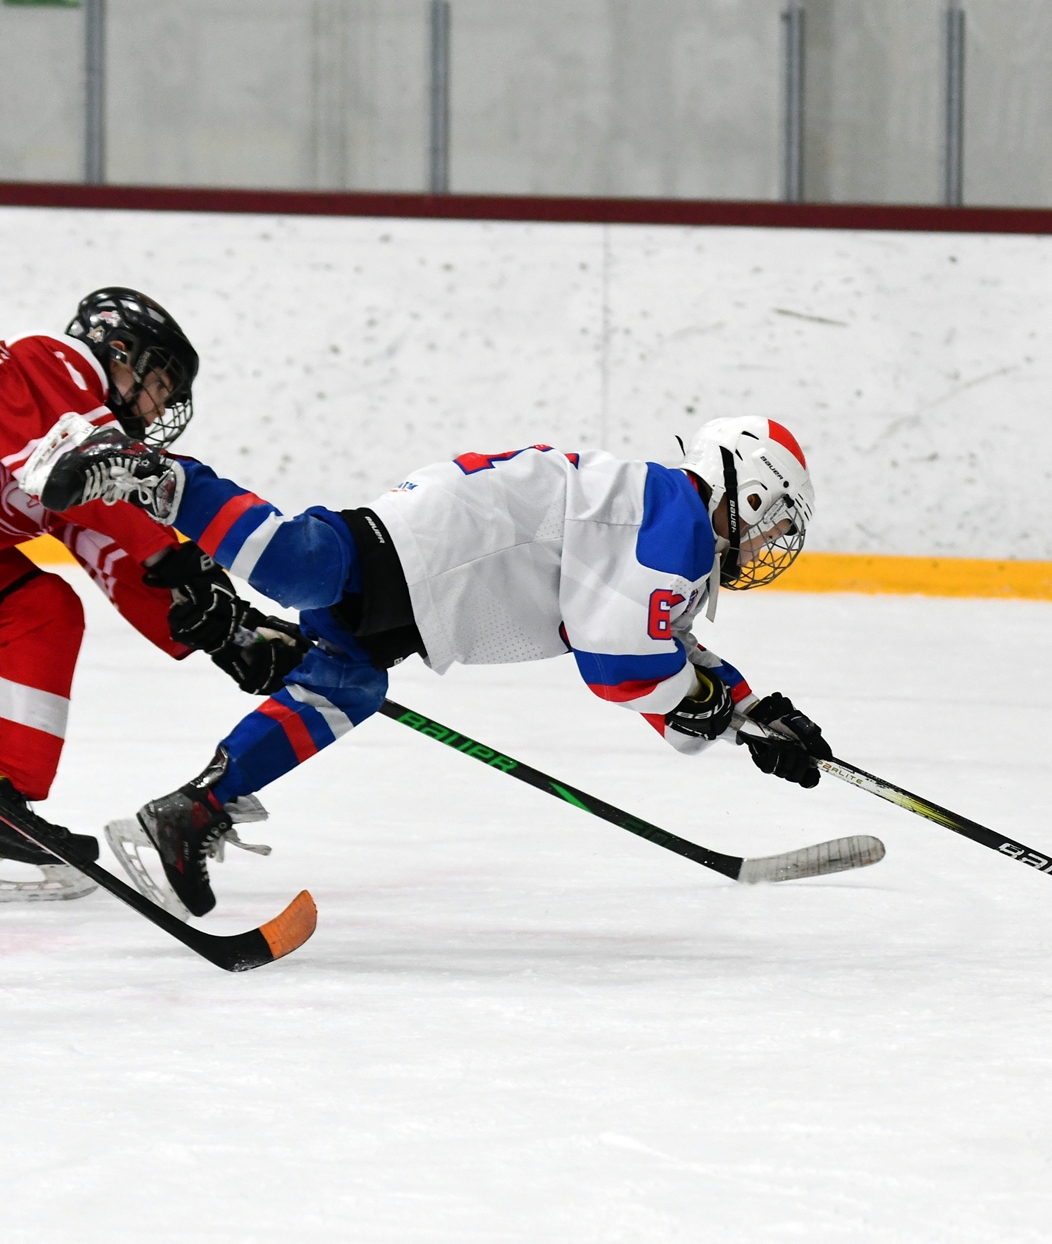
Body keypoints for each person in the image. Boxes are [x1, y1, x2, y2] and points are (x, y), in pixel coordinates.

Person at [23, 414, 834, 917]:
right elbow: (618, 658)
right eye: (774, 523)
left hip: (442, 582)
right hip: (445, 546)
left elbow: (659, 655)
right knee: (303, 563)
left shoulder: (671, 536)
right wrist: (699, 702)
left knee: (349, 682)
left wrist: (748, 713)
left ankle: (188, 813)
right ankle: (154, 472)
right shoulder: (677, 516)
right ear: (748, 492)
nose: (769, 546)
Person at [0, 288, 304, 899]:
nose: (157, 405)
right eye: (158, 385)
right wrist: (185, 565)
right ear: (118, 353)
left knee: (43, 611)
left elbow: (109, 545)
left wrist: (223, 628)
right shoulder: (44, 363)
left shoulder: (70, 457)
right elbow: (94, 479)